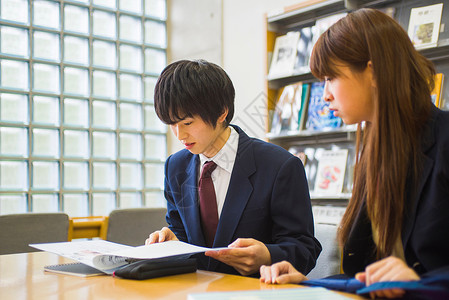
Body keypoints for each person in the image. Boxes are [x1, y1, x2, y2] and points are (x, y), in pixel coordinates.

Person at [259, 8, 449, 298]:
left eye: (331, 77)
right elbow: (362, 276)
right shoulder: (373, 154)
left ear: (372, 72)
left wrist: (422, 282)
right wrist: (305, 282)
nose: (325, 95)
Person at [144, 59, 321, 277]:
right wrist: (171, 241)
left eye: (187, 123)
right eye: (172, 124)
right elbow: (182, 231)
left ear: (221, 113)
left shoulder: (280, 166)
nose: (179, 135)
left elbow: (305, 249)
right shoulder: (176, 166)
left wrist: (267, 255)